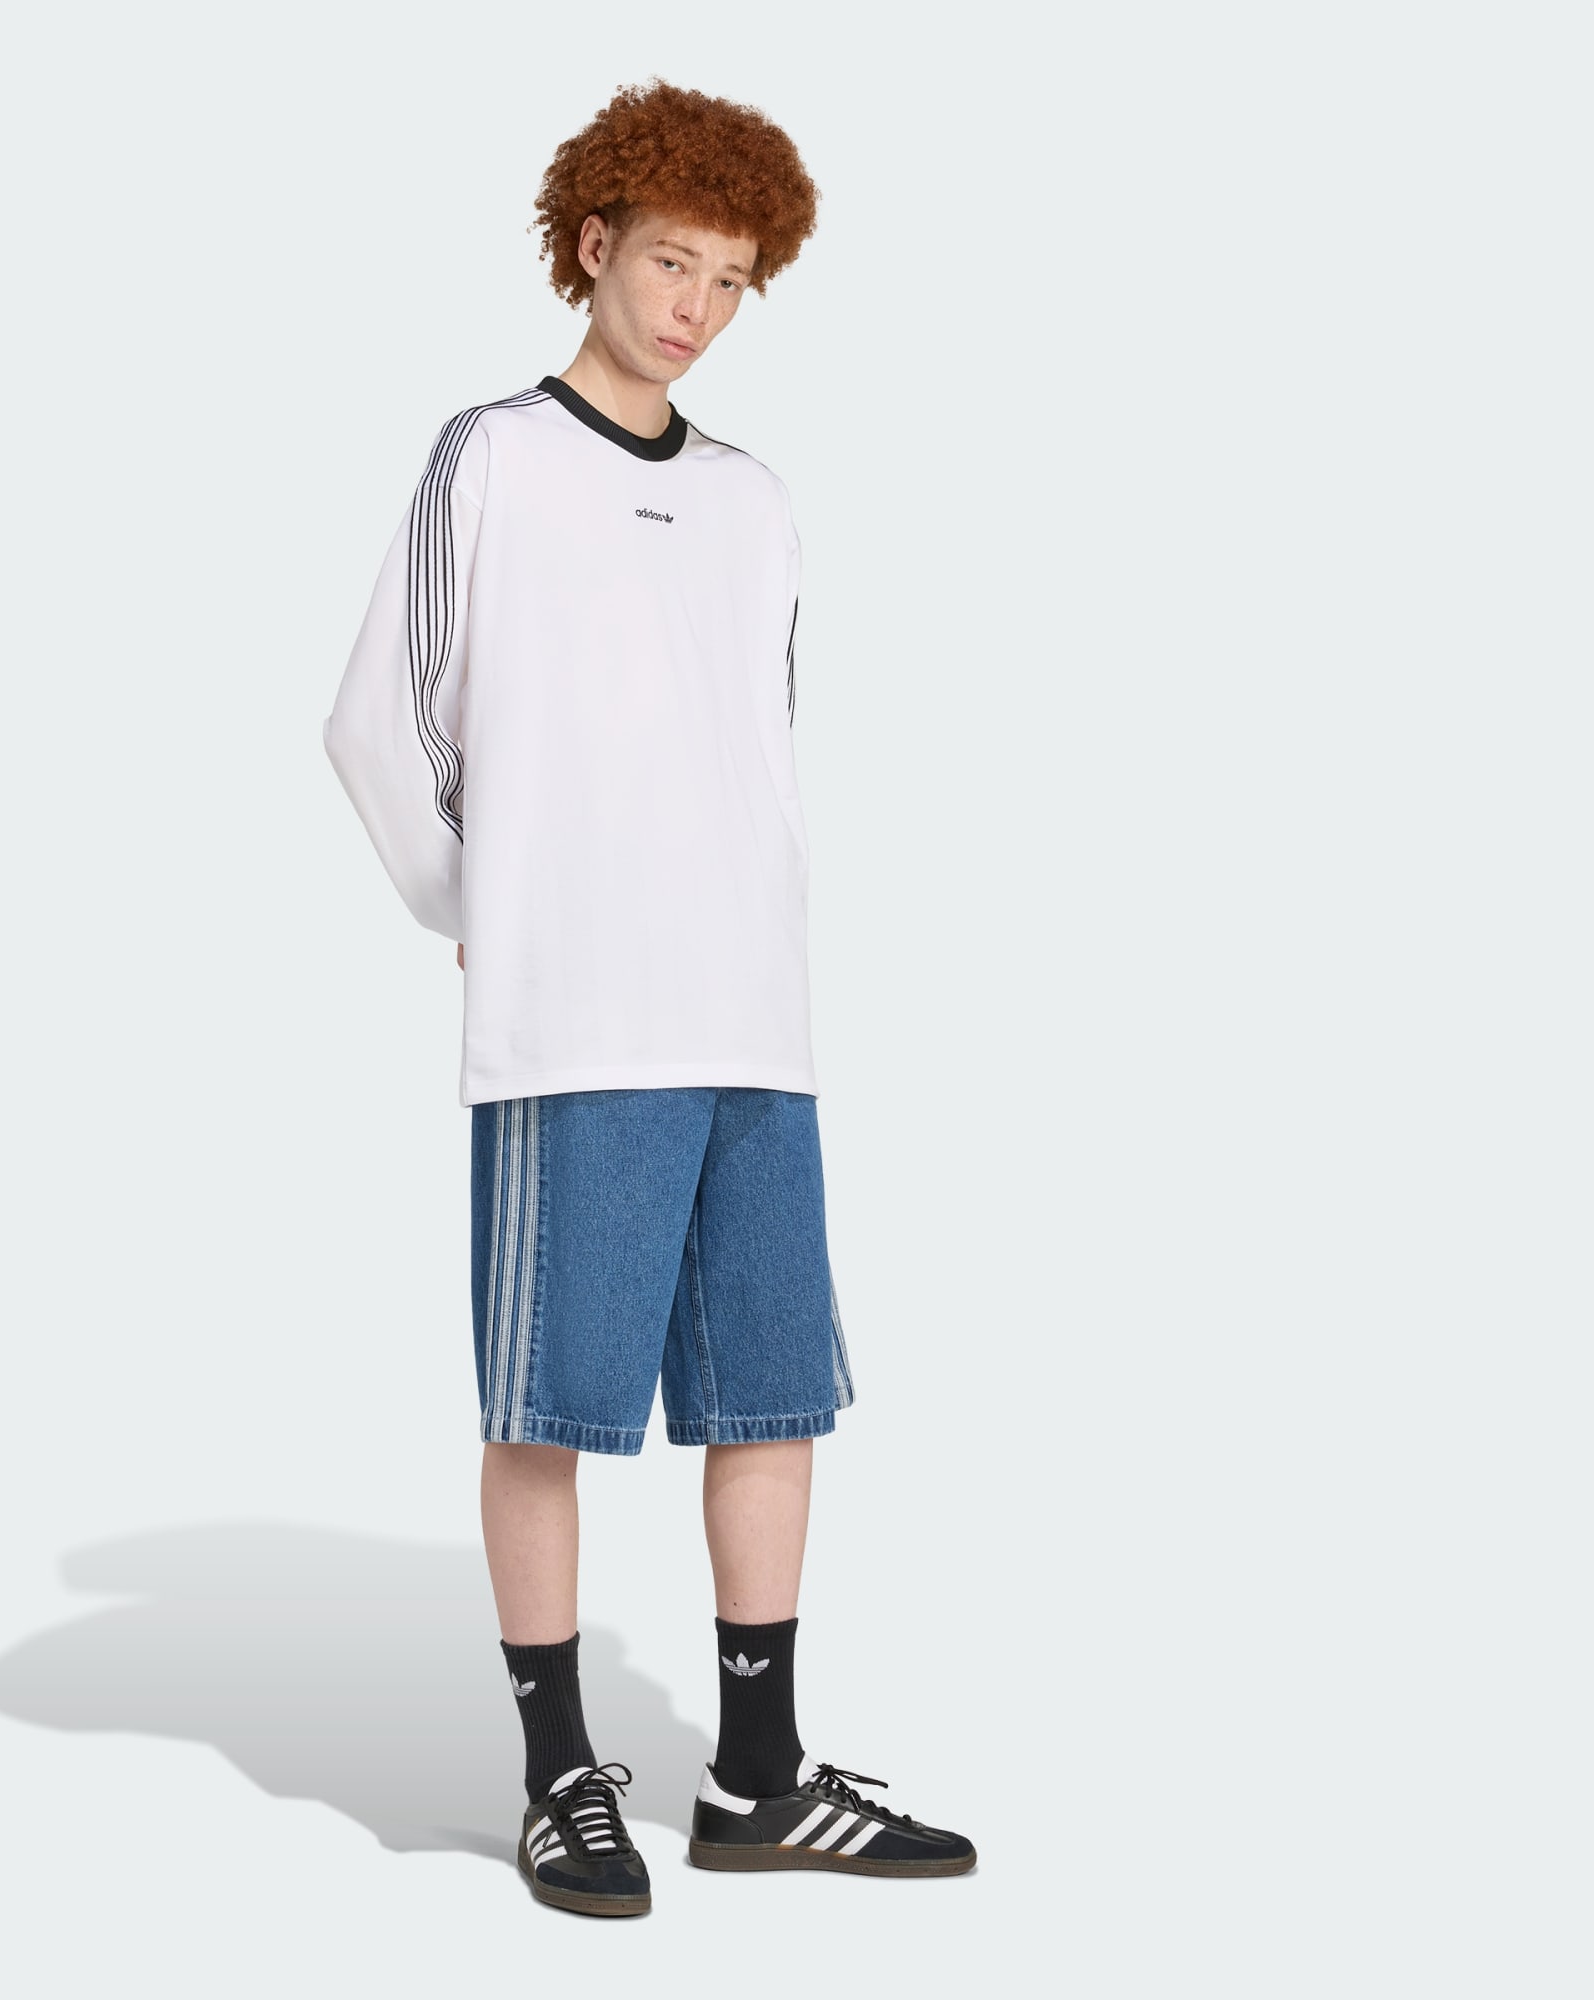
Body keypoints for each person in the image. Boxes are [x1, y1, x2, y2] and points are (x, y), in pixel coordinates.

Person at [321, 78, 976, 1916]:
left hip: (754, 1018)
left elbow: (757, 742)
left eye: (732, 279)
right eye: (672, 260)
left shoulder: (757, 501)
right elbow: (376, 726)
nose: (696, 305)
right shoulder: (491, 458)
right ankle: (559, 1775)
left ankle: (756, 1778)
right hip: (579, 1021)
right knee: (550, 1403)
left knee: (773, 1395)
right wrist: (478, 908)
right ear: (594, 243)